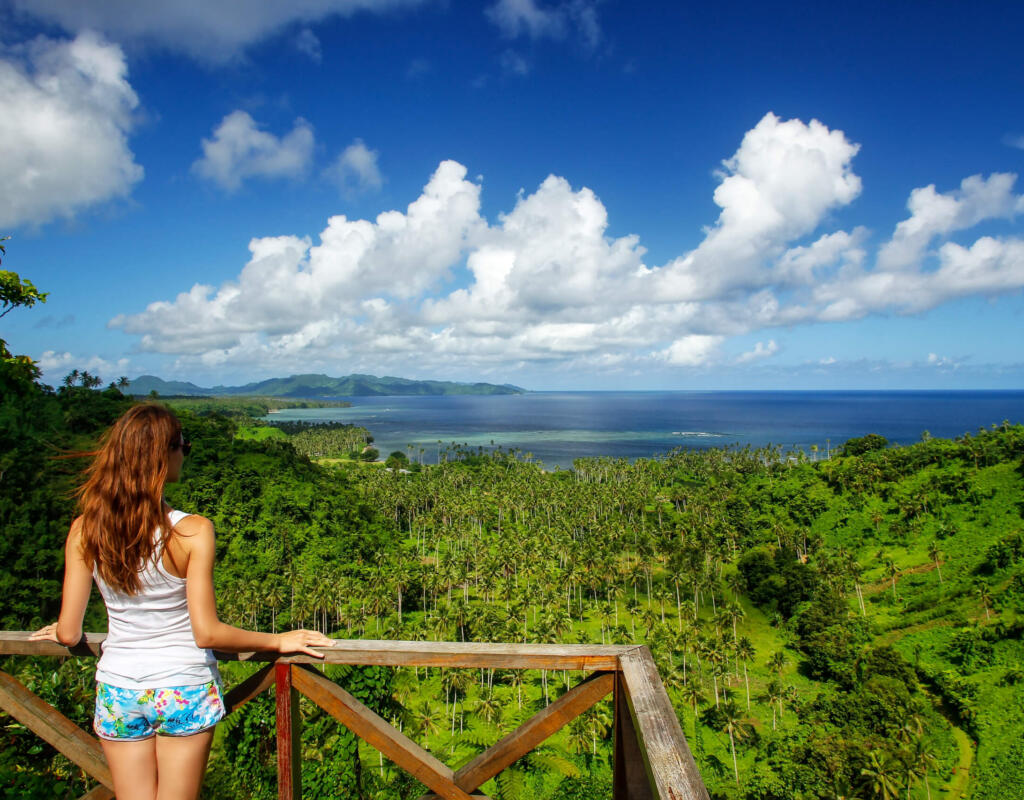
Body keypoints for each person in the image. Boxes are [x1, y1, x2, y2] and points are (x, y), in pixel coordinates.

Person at [31, 403, 334, 800]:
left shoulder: (84, 531)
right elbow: (207, 633)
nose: (185, 454)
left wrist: (58, 630)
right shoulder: (192, 532)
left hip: (119, 687)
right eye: (183, 446)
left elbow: (70, 633)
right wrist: (277, 641)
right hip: (182, 684)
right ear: (163, 456)